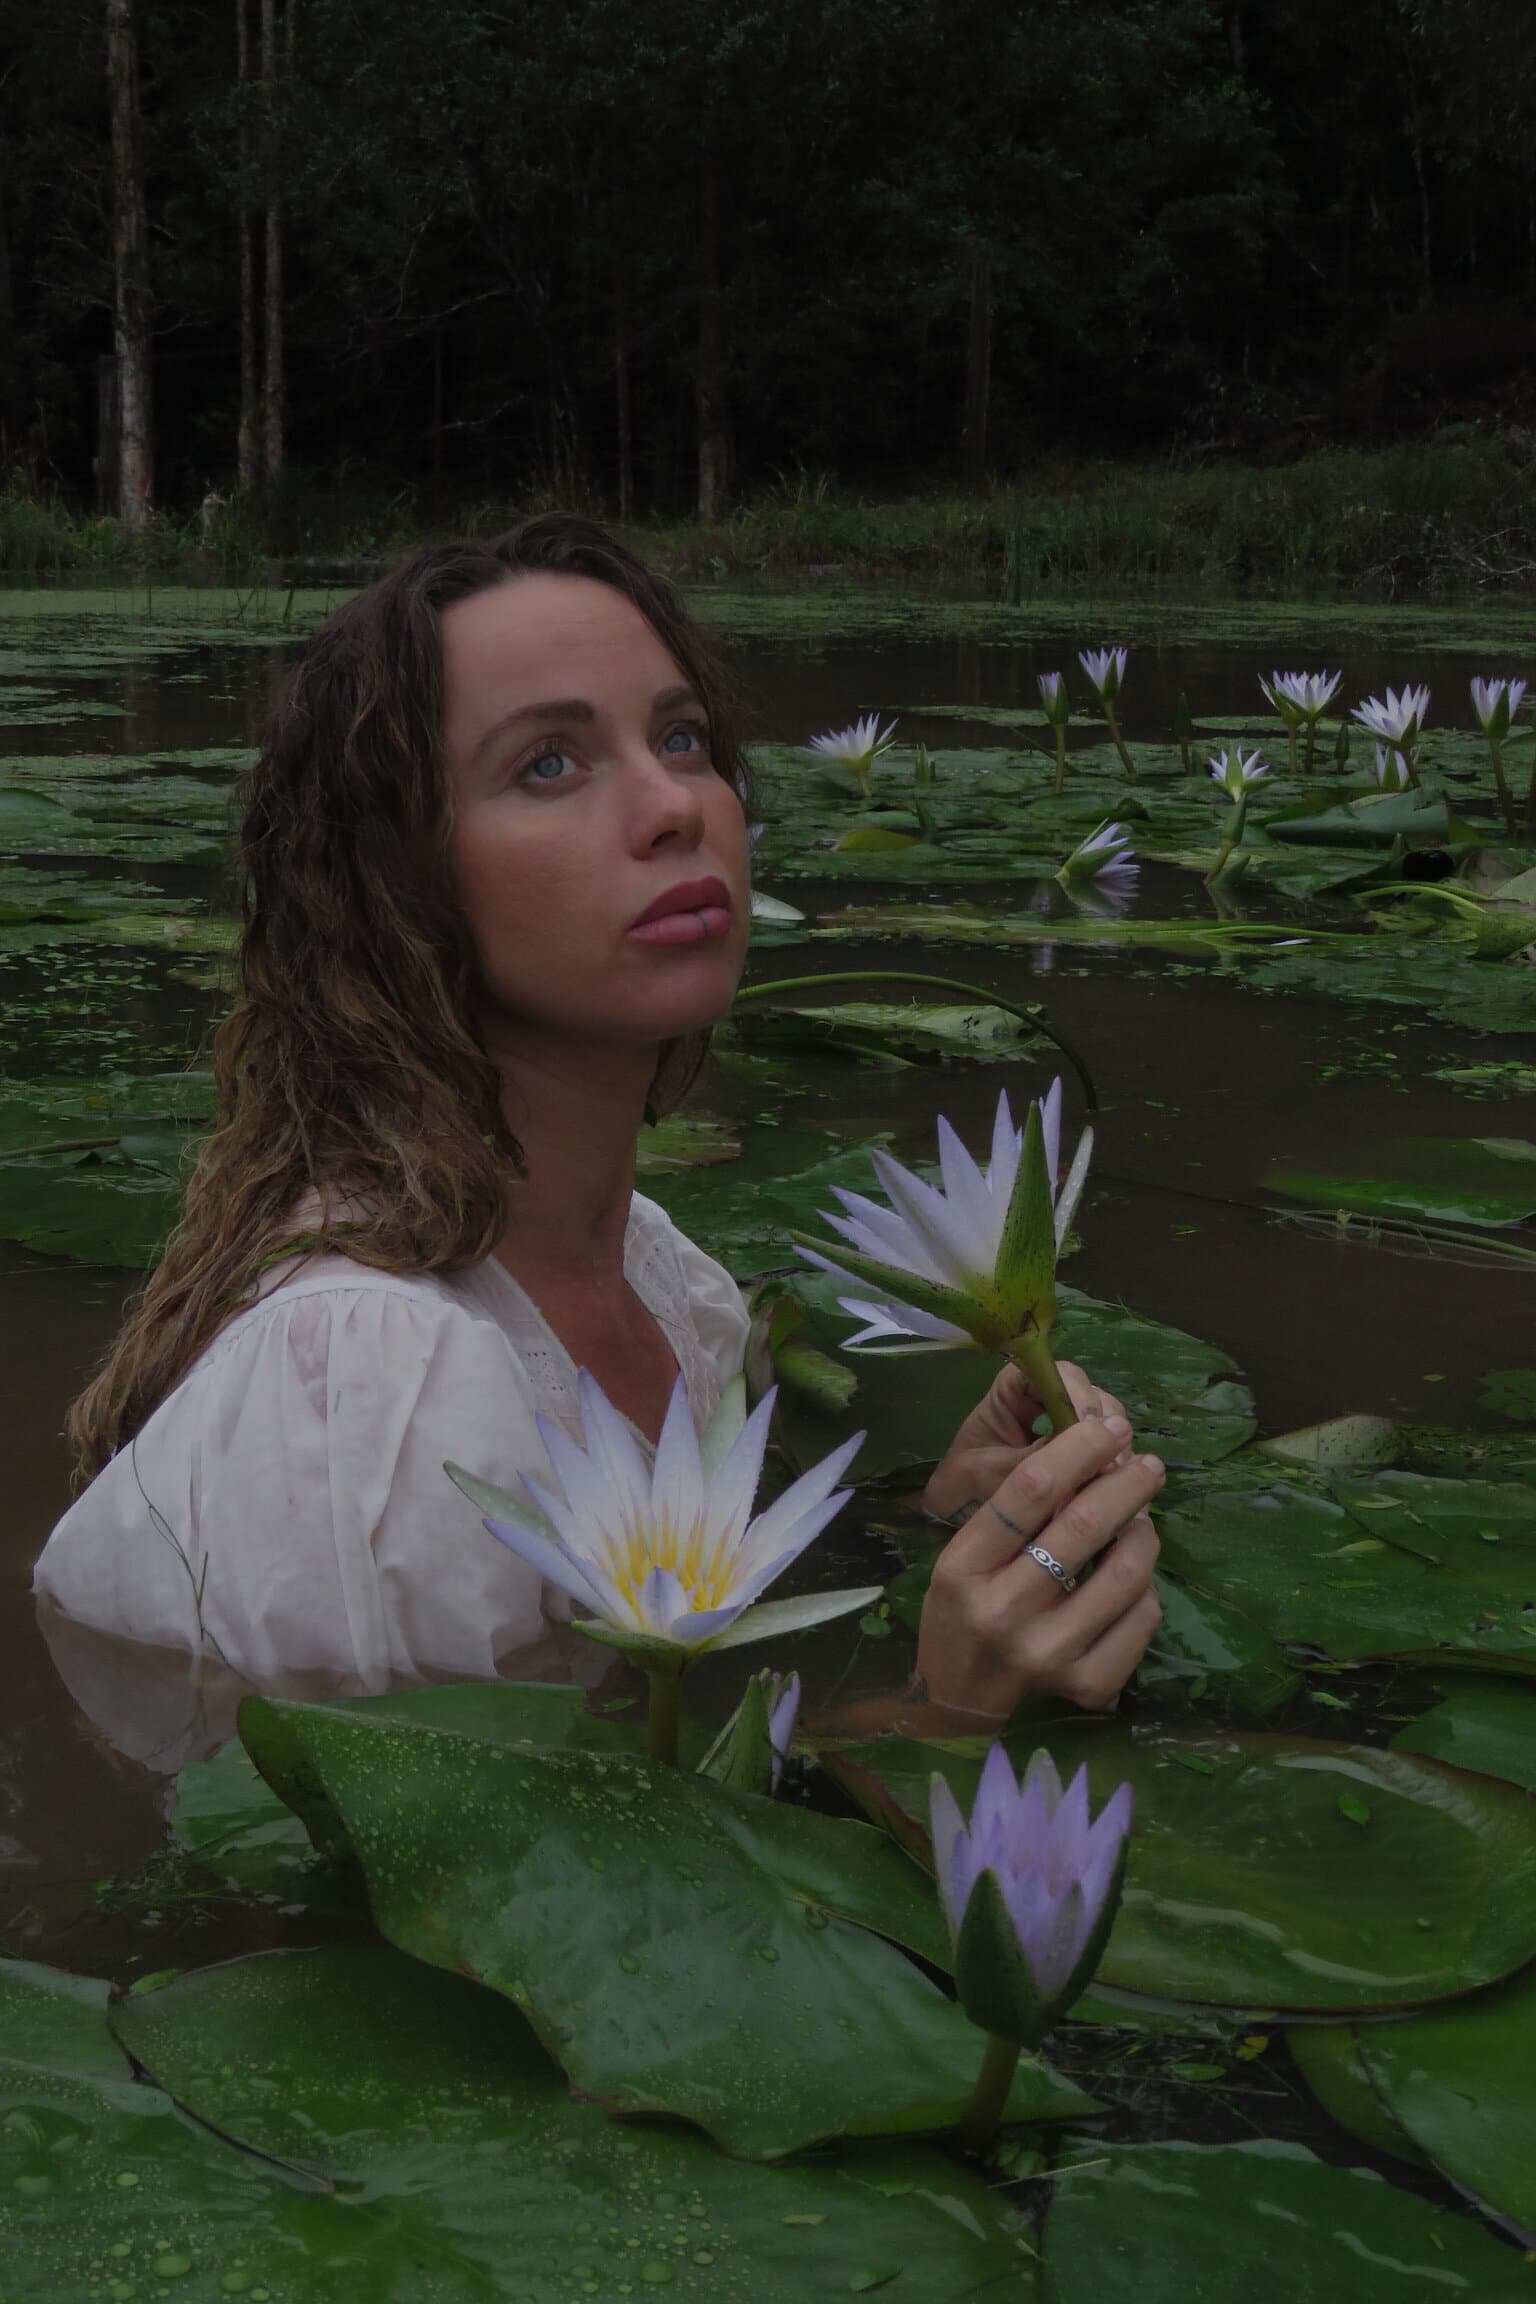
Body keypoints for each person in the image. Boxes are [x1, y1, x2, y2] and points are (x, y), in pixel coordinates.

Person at [33, 516, 1164, 1725]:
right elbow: (430, 1890)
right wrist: (942, 1715)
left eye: (681, 737)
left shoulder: (677, 1286)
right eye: (549, 765)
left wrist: (950, 1525)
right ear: (396, 882)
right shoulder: (378, 1390)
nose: (678, 804)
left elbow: (627, 1772)